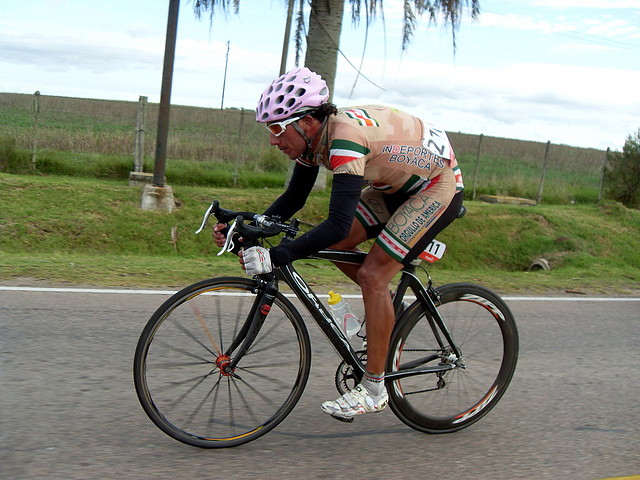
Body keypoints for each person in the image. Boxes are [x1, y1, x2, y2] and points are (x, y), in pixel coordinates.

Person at [213, 67, 464, 421]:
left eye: (276, 128)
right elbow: (295, 196)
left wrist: (275, 255)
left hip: (434, 188)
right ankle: (381, 319)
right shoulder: (313, 140)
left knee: (372, 275)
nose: (272, 140)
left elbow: (336, 223)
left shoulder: (344, 140)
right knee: (332, 246)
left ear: (308, 123)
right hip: (390, 186)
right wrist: (251, 227)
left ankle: (375, 388)